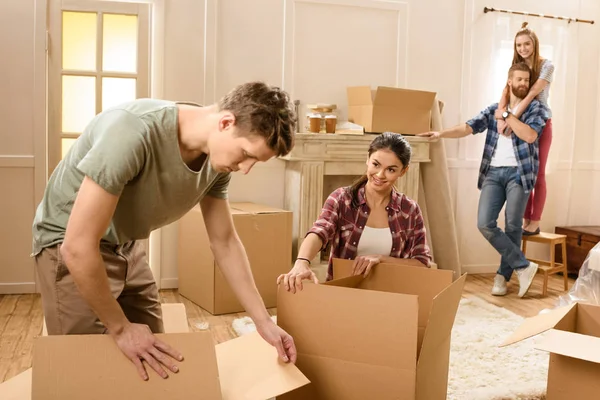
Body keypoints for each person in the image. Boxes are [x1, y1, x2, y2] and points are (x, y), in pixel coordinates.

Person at [31, 81, 298, 380]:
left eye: (255, 162)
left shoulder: (218, 161)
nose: (245, 168)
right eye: (246, 154)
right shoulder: (132, 132)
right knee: (88, 372)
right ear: (226, 122)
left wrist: (263, 322)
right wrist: (120, 329)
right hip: (68, 245)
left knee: (159, 357)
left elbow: (224, 242)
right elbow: (77, 246)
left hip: (126, 244)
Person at [418, 62, 548, 298]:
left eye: (526, 81)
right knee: (484, 223)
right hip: (493, 173)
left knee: (512, 226)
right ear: (509, 82)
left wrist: (507, 115)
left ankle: (502, 277)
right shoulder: (493, 109)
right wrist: (441, 133)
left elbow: (529, 136)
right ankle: (523, 266)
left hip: (519, 173)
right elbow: (468, 127)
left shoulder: (536, 109)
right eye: (518, 79)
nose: (523, 84)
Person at [277, 132, 432, 293]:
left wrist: (381, 259)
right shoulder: (342, 199)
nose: (380, 175)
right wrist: (302, 261)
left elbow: (422, 262)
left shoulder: (410, 210)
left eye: (391, 170)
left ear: (403, 171)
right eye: (376, 164)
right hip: (343, 295)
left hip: (390, 298)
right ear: (367, 159)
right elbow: (319, 231)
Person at [496, 22, 554, 236]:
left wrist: (510, 117)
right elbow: (506, 92)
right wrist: (502, 114)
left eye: (527, 44)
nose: (523, 48)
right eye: (519, 45)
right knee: (523, 171)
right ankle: (525, 219)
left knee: (538, 174)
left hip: (539, 122)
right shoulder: (516, 67)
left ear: (534, 44)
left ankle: (535, 221)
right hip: (519, 122)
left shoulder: (546, 65)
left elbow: (531, 94)